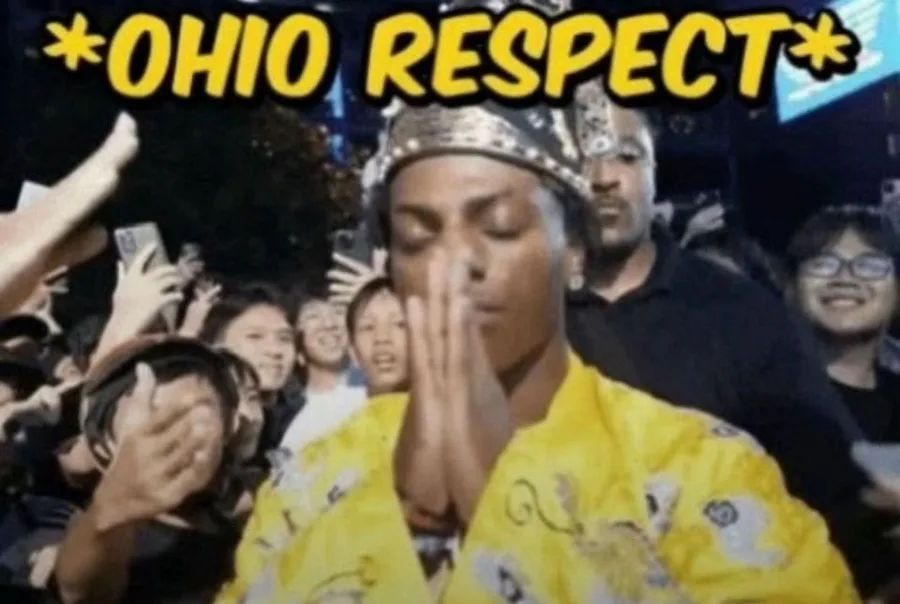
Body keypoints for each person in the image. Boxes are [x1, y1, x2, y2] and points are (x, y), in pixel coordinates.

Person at [218, 17, 857, 604]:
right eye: (417, 237)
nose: (456, 262)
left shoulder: (698, 473)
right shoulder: (318, 476)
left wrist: (499, 518)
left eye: (497, 227)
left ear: (573, 249)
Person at [566, 90, 875, 592]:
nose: (604, 177)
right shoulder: (512, 317)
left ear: (654, 171)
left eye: (626, 155)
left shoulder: (742, 315)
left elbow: (840, 494)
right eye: (584, 156)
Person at [52, 337, 240, 604]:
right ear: (103, 444)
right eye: (155, 415)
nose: (176, 433)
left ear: (228, 428)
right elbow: (82, 591)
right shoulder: (97, 536)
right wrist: (114, 506)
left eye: (195, 412)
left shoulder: (255, 517)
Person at [199, 283, 298, 458]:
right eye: (255, 337)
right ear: (217, 344)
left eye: (284, 338)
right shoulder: (198, 424)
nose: (274, 350)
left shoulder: (299, 417)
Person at [278, 294, 366, 452]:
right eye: (313, 316)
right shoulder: (291, 418)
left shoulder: (381, 387)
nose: (329, 323)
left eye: (338, 312)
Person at [345, 277, 408, 395]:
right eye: (368, 327)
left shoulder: (444, 405)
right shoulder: (343, 406)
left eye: (399, 324)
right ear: (352, 351)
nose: (382, 338)